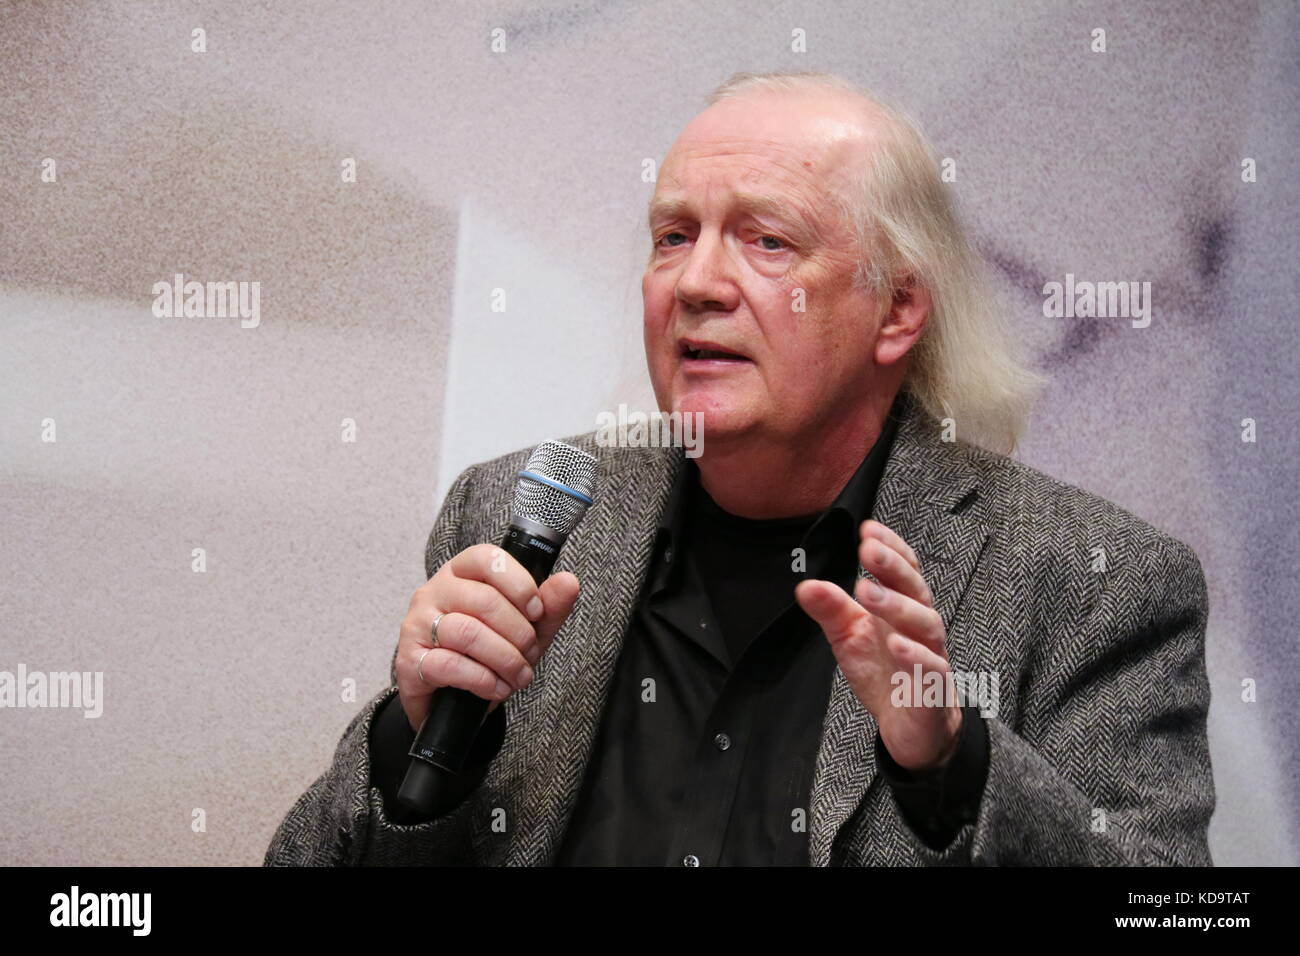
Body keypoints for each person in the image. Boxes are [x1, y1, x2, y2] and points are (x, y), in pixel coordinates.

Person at [264, 71, 1214, 866]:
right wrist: (412, 746)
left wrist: (954, 767)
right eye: (673, 237)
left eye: (768, 240)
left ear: (897, 311)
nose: (698, 284)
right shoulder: (516, 514)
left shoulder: (1095, 580)